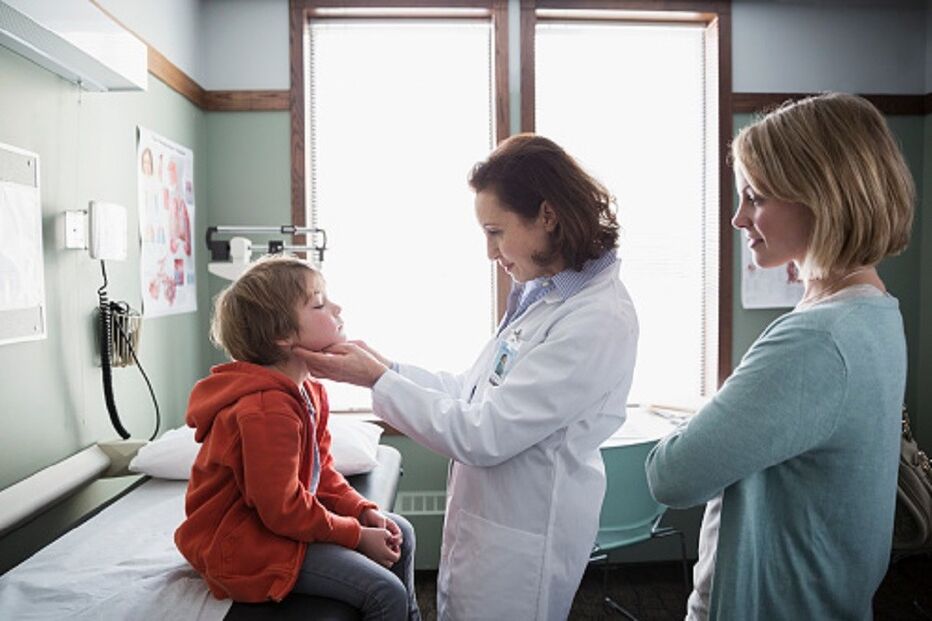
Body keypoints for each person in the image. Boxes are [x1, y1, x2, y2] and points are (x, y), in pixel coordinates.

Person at [298, 134, 639, 619]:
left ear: (547, 216)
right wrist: (385, 369)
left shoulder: (596, 319)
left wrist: (378, 380)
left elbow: (484, 434)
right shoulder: (546, 298)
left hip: (525, 540)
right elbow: (471, 393)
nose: (489, 251)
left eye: (496, 232)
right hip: (491, 529)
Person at [645, 93, 914, 620]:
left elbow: (669, 475)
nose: (738, 218)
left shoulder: (816, 339)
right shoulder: (876, 311)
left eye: (756, 197)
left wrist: (718, 407)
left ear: (822, 198)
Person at [174, 256, 420, 620]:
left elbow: (322, 476)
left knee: (402, 530)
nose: (337, 308)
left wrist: (362, 511)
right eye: (319, 304)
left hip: (273, 527)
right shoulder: (266, 410)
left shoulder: (309, 392)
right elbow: (283, 509)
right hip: (242, 545)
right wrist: (354, 535)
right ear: (282, 336)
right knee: (384, 592)